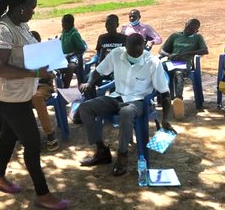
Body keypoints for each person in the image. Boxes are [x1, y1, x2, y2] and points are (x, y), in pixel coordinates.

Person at [0, 0, 69, 209]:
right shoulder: (1, 30)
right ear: (20, 6)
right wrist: (35, 72)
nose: (33, 12)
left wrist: (48, 61)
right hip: (7, 97)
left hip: (20, 93)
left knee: (9, 136)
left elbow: (27, 55)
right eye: (31, 8)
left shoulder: (20, 26)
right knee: (32, 144)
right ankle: (43, 195)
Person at [78, 33, 175, 177]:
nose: (135, 56)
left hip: (139, 101)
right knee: (85, 108)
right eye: (131, 52)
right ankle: (101, 151)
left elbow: (165, 94)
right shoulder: (117, 54)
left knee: (126, 113)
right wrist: (90, 83)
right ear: (125, 47)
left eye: (138, 52)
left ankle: (122, 155)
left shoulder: (153, 62)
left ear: (144, 47)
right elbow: (98, 72)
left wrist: (166, 119)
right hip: (117, 96)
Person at [159, 19, 209, 115]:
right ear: (185, 24)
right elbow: (161, 51)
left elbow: (205, 50)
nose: (188, 30)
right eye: (187, 27)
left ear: (196, 31)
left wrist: (188, 53)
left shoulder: (197, 38)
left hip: (184, 64)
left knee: (178, 73)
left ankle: (178, 100)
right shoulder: (175, 36)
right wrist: (169, 55)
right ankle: (162, 97)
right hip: (171, 62)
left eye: (192, 30)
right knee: (157, 69)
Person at [31, 31, 59, 152]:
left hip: (43, 86)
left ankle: (50, 133)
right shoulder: (24, 56)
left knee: (36, 97)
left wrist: (47, 72)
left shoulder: (46, 54)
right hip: (27, 86)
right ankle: (28, 134)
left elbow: (53, 73)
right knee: (15, 97)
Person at [59, 14, 87, 88]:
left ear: (69, 24)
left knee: (70, 67)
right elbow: (60, 41)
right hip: (65, 56)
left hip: (74, 57)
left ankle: (66, 87)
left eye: (63, 22)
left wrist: (71, 54)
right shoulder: (64, 32)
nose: (62, 24)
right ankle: (59, 85)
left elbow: (82, 48)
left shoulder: (74, 34)